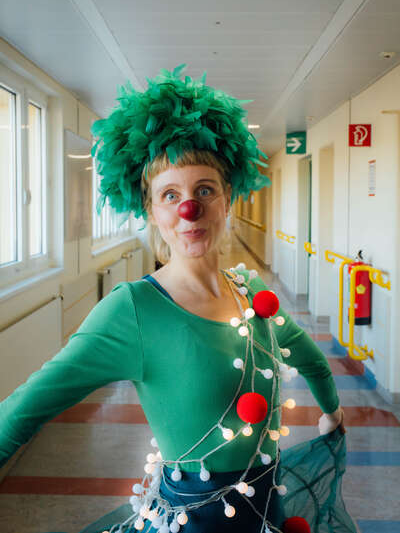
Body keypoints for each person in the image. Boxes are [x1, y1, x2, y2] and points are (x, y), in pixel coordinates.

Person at [0, 65, 354, 533]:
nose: (190, 209)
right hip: (193, 523)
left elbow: (311, 359)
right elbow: (22, 410)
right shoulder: (133, 310)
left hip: (265, 510)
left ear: (228, 198)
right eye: (171, 194)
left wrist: (331, 411)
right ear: (152, 210)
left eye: (204, 190)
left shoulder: (253, 296)